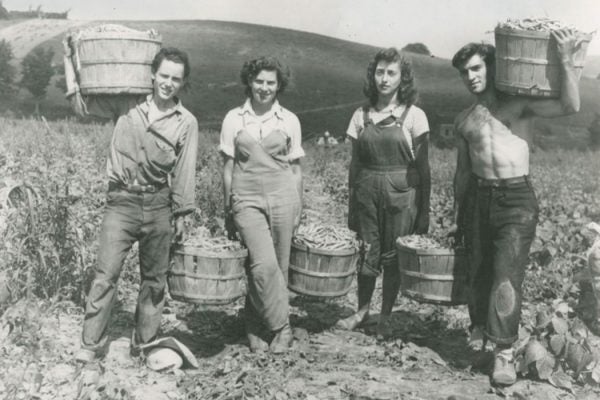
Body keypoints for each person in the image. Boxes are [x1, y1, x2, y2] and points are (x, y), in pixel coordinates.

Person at [450, 29, 581, 385]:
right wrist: (457, 215)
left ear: (492, 67)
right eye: (464, 72)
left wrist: (566, 59)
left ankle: (504, 354)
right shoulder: (465, 119)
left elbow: (571, 106)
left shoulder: (518, 105)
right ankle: (480, 329)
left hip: (517, 199)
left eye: (476, 68)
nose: (470, 77)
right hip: (479, 198)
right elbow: (463, 171)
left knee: (506, 275)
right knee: (478, 270)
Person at [65, 47, 200, 363]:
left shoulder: (186, 122)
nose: (168, 83)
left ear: (183, 83)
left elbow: (184, 171)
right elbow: (82, 105)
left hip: (158, 205)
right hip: (121, 202)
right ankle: (90, 345)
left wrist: (183, 214)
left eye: (175, 79)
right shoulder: (127, 103)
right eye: (163, 75)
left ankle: (145, 343)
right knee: (105, 273)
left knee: (154, 280)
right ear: (153, 74)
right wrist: (71, 64)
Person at [336, 48, 431, 338]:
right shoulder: (360, 115)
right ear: (372, 75)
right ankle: (363, 310)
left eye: (391, 73)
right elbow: (355, 164)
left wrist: (424, 210)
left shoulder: (414, 116)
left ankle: (386, 315)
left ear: (402, 79)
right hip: (366, 192)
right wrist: (352, 201)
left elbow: (424, 169)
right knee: (367, 252)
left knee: (392, 255)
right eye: (380, 72)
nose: (384, 79)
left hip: (401, 195)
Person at [219, 56, 304, 353]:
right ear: (249, 82)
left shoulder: (289, 120)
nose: (264, 88)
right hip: (246, 197)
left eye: (271, 82)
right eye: (259, 81)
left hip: (283, 196)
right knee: (261, 263)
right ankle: (281, 327)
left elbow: (295, 170)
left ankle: (256, 322)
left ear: (279, 85)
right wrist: (229, 205)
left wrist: (298, 208)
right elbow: (228, 167)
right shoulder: (233, 118)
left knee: (279, 265)